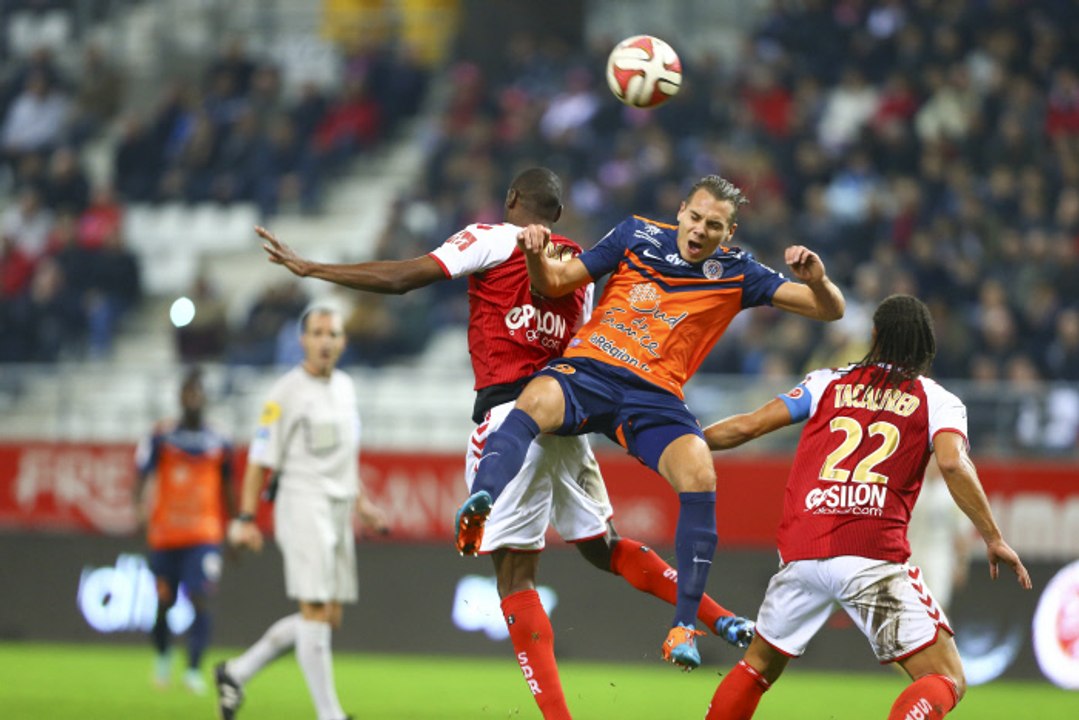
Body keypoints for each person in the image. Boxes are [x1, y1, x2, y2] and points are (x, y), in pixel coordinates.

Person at [257, 167, 754, 719]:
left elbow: (404, 278)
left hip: (511, 417)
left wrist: (313, 268)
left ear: (512, 198)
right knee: (602, 546)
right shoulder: (578, 265)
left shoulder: (492, 239)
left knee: (516, 577)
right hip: (571, 412)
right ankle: (716, 617)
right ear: (558, 215)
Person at [455, 173, 845, 670]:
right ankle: (483, 501)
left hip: (654, 396)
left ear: (730, 232)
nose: (701, 230)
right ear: (681, 211)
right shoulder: (634, 234)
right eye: (696, 217)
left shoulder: (738, 271)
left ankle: (683, 628)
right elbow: (552, 282)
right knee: (534, 399)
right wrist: (535, 255)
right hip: (590, 370)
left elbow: (829, 311)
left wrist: (817, 279)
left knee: (699, 470)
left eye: (714, 226)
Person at [701, 294, 1033, 720]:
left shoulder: (825, 383)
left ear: (874, 336)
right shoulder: (937, 399)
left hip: (803, 552)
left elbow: (748, 425)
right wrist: (993, 536)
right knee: (946, 677)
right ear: (927, 344)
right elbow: (952, 462)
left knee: (756, 668)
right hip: (870, 554)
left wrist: (681, 442)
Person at [214, 305, 387, 720]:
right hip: (303, 503)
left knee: (328, 618)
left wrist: (363, 505)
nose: (325, 341)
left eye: (333, 334)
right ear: (303, 340)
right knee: (314, 610)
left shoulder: (345, 387)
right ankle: (330, 714)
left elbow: (345, 459)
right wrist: (245, 519)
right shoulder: (285, 393)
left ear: (343, 342)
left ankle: (236, 672)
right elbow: (259, 460)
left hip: (339, 507)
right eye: (317, 333)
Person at [134, 366, 235, 694]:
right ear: (180, 397)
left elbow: (228, 486)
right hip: (166, 534)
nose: (193, 398)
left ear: (205, 398)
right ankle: (163, 657)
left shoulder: (220, 439)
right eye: (188, 392)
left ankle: (193, 669)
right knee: (164, 603)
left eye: (198, 392)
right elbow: (142, 475)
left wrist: (236, 526)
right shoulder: (161, 435)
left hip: (204, 535)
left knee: (201, 599)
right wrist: (138, 507)